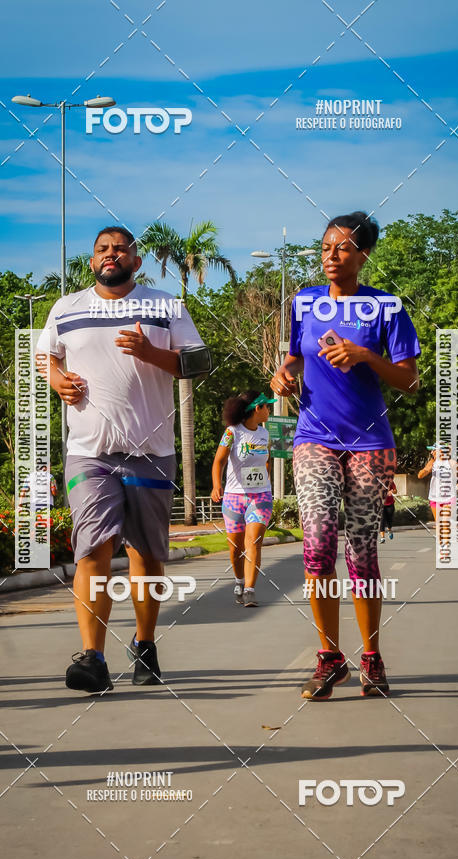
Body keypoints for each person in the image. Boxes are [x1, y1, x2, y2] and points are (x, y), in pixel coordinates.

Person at [36, 226, 204, 694]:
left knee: (147, 557)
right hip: (88, 451)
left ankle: (145, 643)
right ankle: (92, 658)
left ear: (137, 259)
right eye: (102, 250)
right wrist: (56, 379)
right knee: (92, 548)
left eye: (120, 249)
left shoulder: (165, 305)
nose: (111, 255)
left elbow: (198, 362)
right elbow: (46, 356)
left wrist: (152, 352)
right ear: (92, 260)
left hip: (151, 453)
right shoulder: (66, 307)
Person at [270, 211, 420, 700]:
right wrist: (283, 375)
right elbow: (295, 355)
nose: (332, 255)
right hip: (314, 434)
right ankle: (330, 657)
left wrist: (365, 356)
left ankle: (371, 658)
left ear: (364, 255)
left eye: (343, 248)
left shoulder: (387, 309)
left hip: (371, 442)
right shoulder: (304, 302)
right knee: (316, 543)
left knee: (361, 549)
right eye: (326, 247)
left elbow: (411, 380)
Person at [211, 390, 274, 607]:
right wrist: (217, 485)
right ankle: (239, 581)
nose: (269, 410)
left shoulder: (265, 434)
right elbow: (219, 461)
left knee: (253, 542)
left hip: (261, 495)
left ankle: (249, 589)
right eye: (267, 406)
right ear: (257, 408)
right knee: (235, 548)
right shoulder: (232, 432)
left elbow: (267, 460)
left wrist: (264, 478)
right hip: (234, 497)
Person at [418, 445, 453, 521]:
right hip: (434, 496)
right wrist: (426, 470)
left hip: (448, 497)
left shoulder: (450, 462)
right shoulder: (432, 462)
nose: (431, 452)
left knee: (445, 523)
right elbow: (420, 476)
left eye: (433, 450)